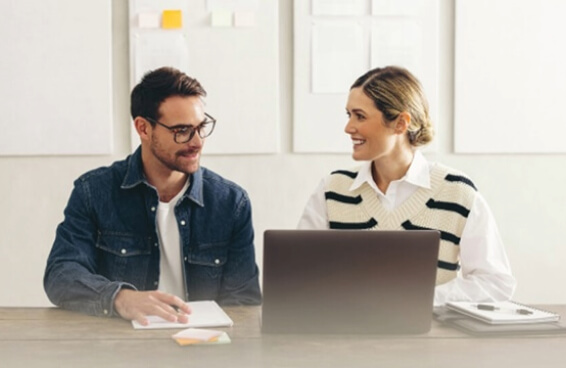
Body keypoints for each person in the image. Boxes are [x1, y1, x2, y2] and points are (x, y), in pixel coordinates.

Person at [44, 67, 262, 325]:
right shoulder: (93, 192)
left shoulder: (231, 203)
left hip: (203, 351)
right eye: (182, 130)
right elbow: (61, 274)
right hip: (120, 348)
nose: (198, 142)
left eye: (201, 127)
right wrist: (120, 298)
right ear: (144, 129)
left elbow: (243, 301)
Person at [297, 66, 516, 306]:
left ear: (400, 123)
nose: (348, 127)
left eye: (360, 116)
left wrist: (423, 298)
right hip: (345, 338)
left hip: (430, 339)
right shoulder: (332, 190)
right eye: (348, 115)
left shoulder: (457, 192)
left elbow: (496, 283)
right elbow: (298, 275)